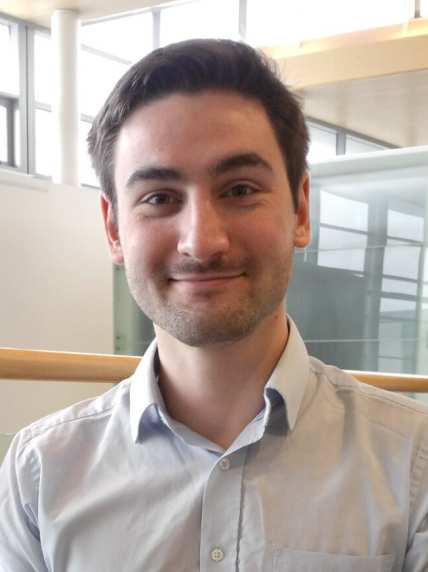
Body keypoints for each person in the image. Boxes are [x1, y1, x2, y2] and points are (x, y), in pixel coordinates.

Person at [1, 39, 427, 572]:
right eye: (159, 198)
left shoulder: (413, 464)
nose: (201, 242)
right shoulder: (40, 475)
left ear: (300, 210)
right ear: (114, 229)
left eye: (240, 189)